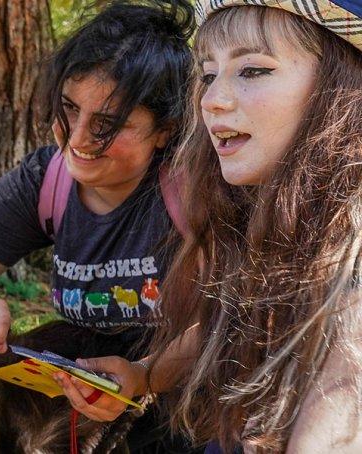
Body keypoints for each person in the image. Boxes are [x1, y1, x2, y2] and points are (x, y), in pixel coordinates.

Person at [57, 1, 362, 451]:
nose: (212, 99)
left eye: (254, 70)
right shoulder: (277, 217)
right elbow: (240, 314)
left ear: (343, 85)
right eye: (207, 73)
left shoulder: (352, 268)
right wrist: (143, 374)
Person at [0, 0, 198, 450]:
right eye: (69, 107)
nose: (79, 139)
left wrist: (145, 377)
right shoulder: (46, 179)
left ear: (166, 129)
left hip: (182, 394)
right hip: (83, 390)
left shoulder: (193, 188)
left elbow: (233, 322)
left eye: (109, 124)